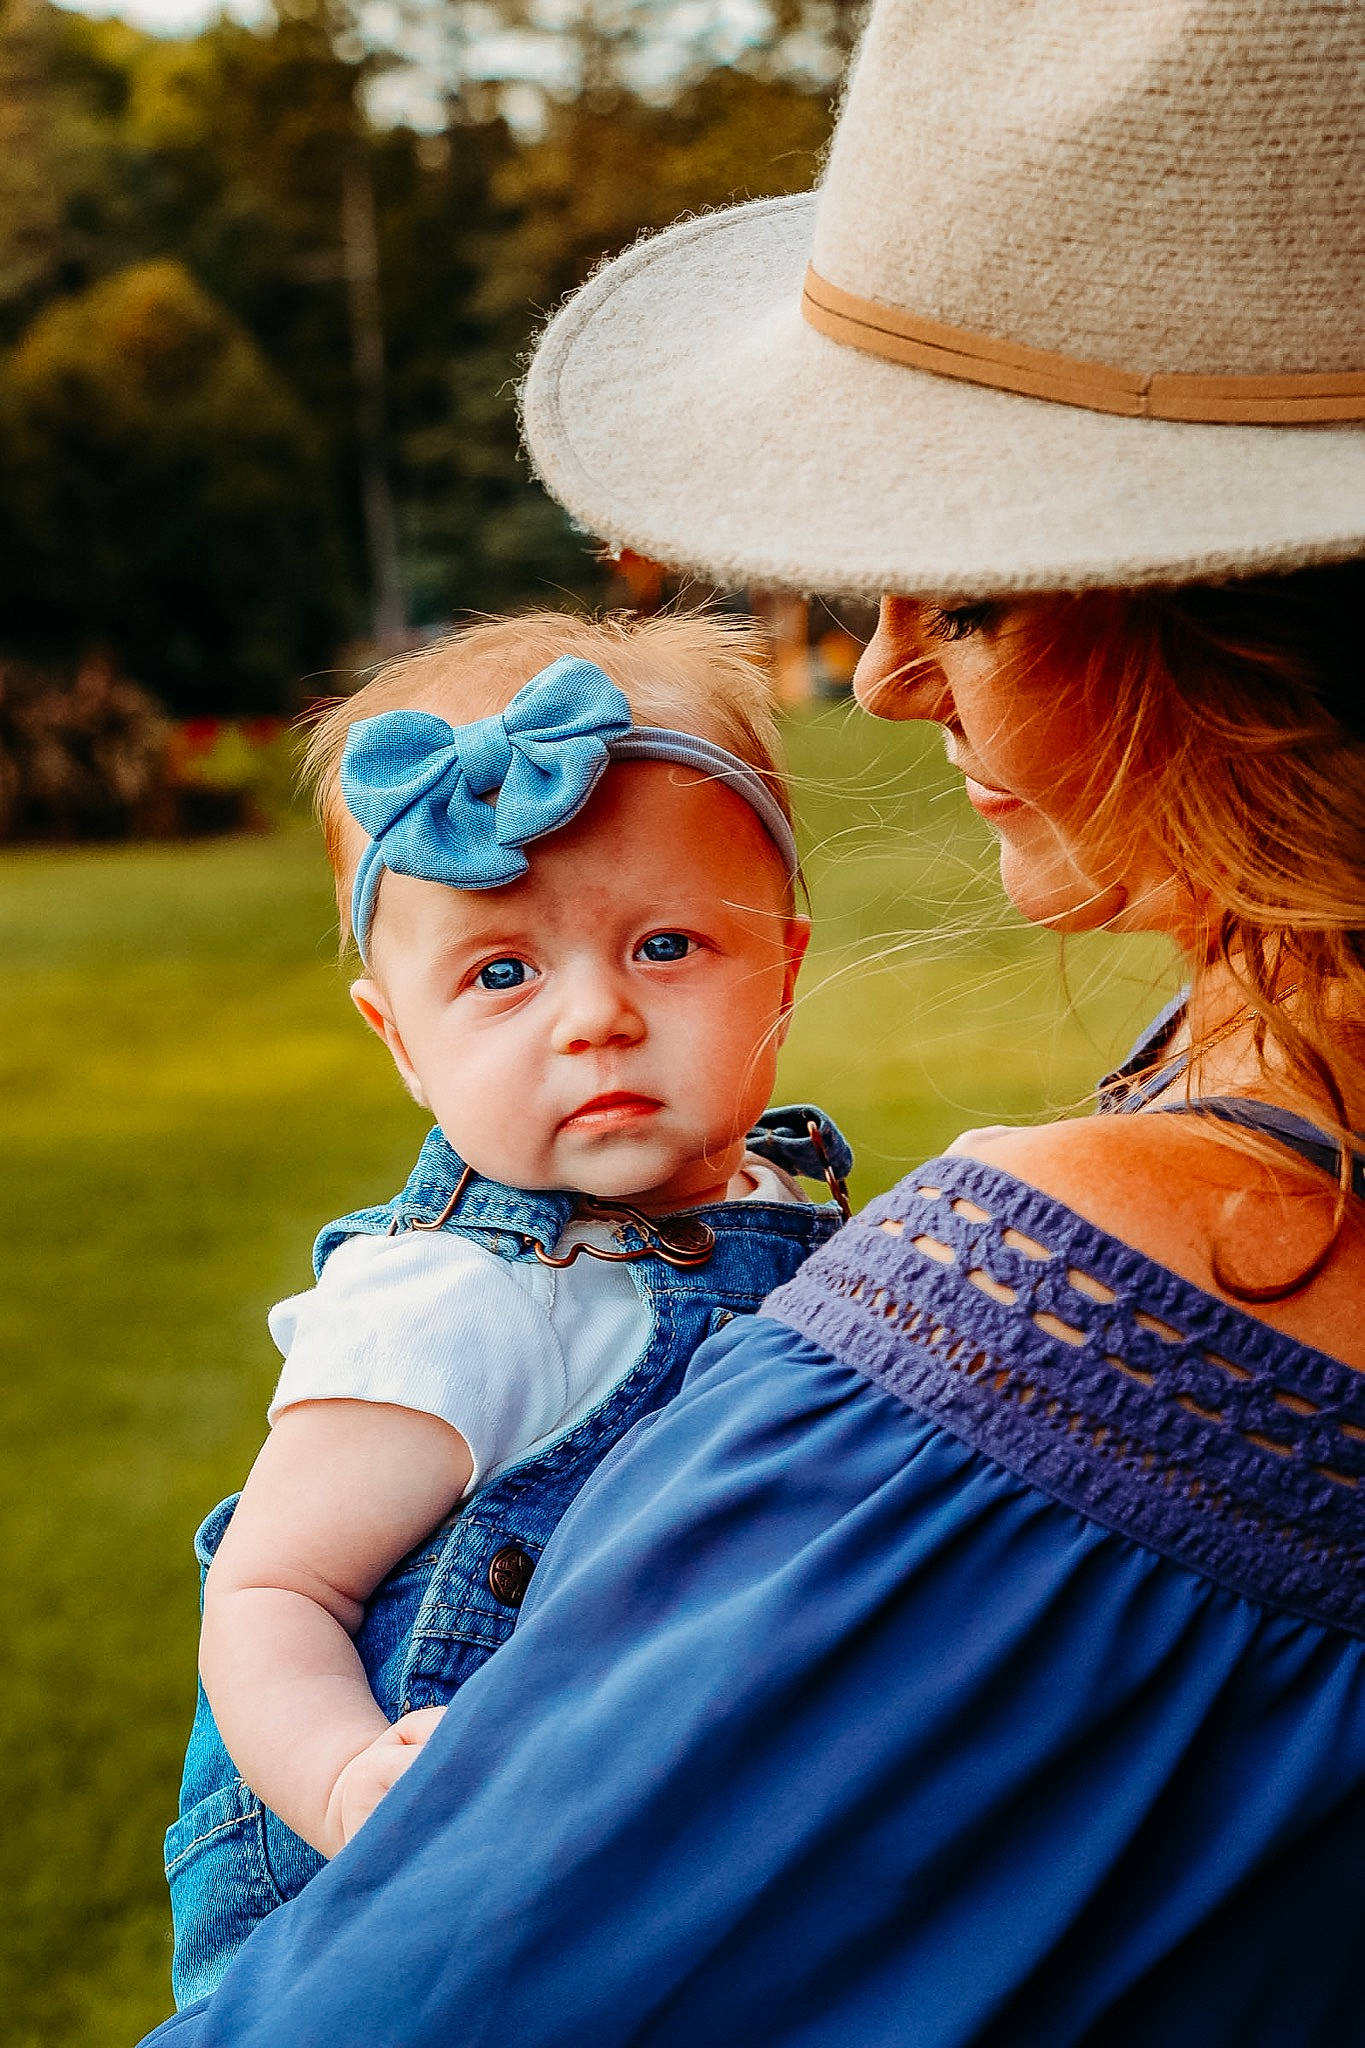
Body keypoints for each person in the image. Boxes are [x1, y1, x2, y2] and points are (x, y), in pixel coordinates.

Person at [141, 1, 1365, 2041]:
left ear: (1248, 629)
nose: (885, 675)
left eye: (963, 592)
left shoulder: (1041, 1360)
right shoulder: (454, 1307)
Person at [161, 611, 852, 2005]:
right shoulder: (453, 1297)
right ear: (399, 1040)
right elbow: (272, 1585)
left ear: (778, 970)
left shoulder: (799, 1213)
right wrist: (346, 1780)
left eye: (664, 946)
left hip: (629, 1864)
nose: (591, 1016)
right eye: (500, 974)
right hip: (387, 1920)